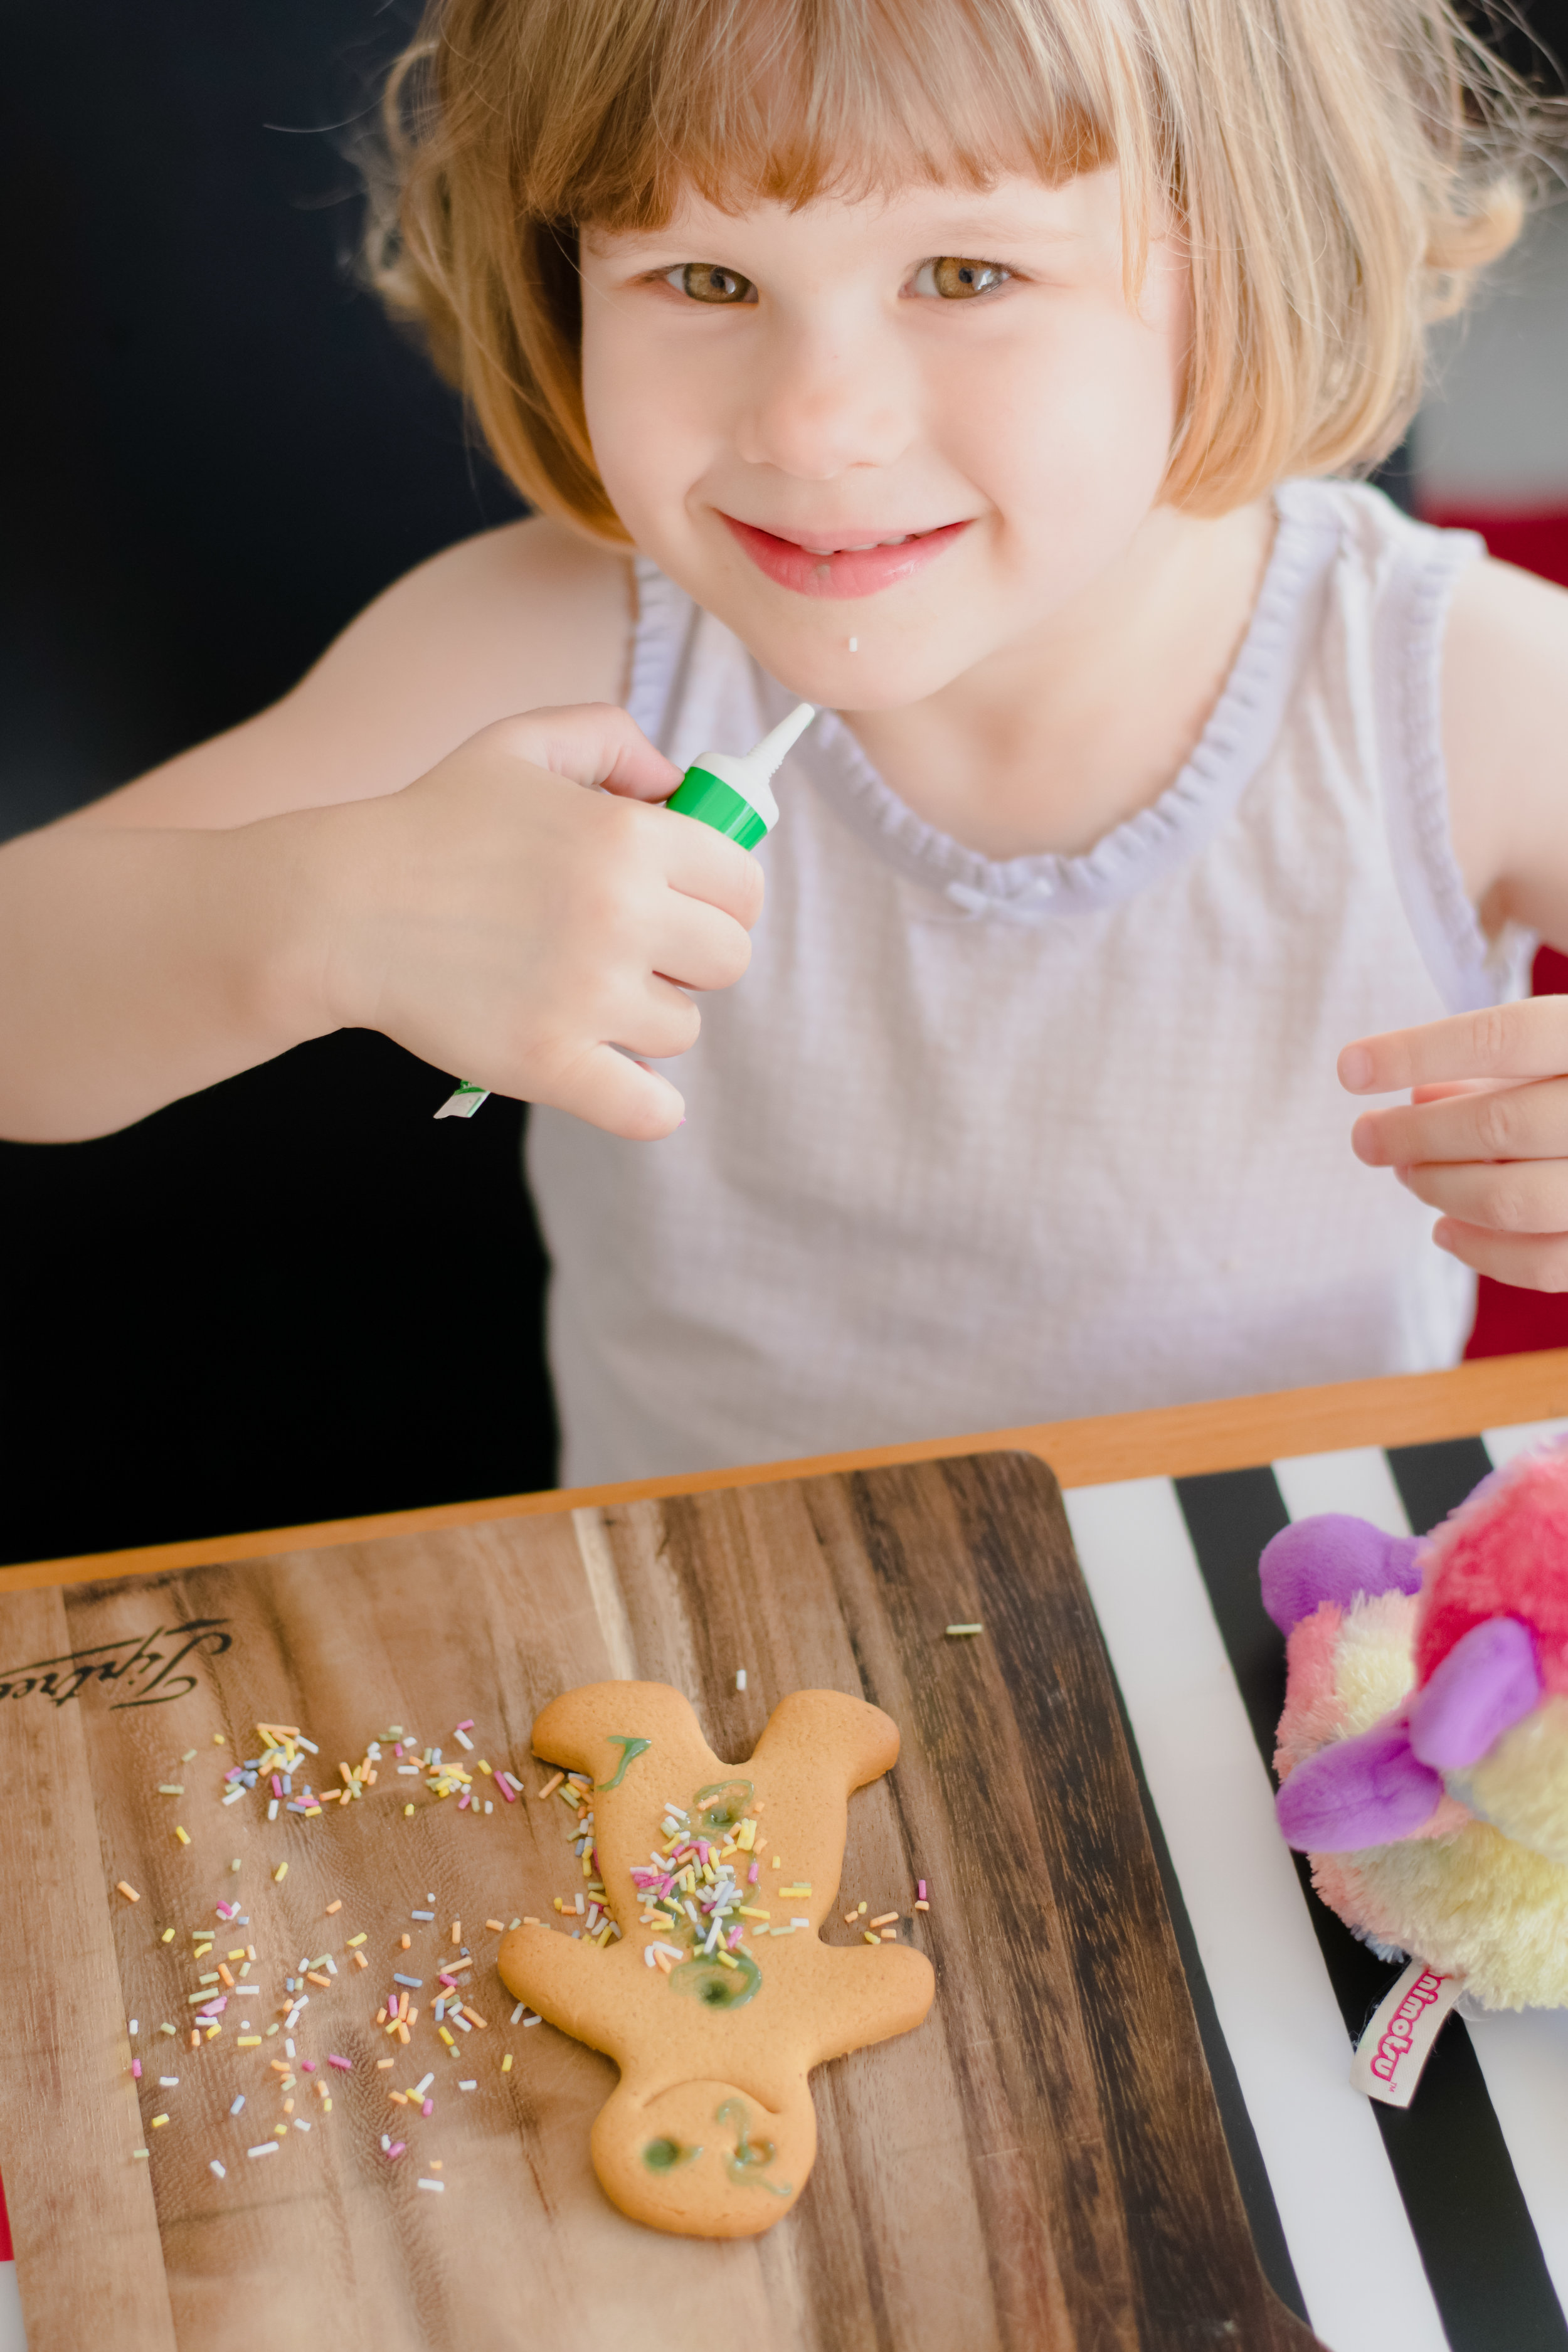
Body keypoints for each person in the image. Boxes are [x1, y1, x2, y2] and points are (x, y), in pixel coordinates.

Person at [2, 0, 1565, 1485]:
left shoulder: (1448, 688)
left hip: (1291, 1671)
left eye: (961, 274)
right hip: (696, 1658)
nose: (812, 424)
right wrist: (311, 915)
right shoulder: (556, 653)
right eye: (702, 280)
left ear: (1248, 261)